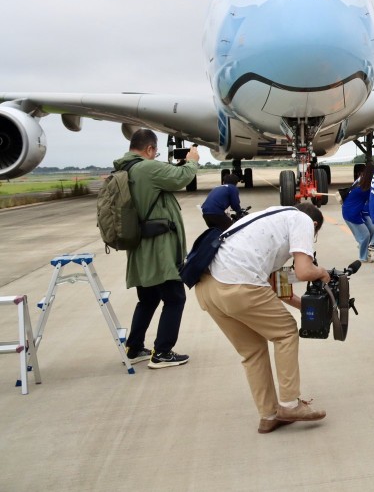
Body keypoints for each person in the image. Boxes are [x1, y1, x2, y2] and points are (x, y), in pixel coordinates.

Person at [194, 203, 333, 434]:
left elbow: (275, 285)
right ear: (315, 225)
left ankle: (268, 415)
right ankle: (289, 404)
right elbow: (304, 271)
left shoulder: (267, 219)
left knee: (253, 350)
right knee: (287, 332)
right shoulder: (303, 221)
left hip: (208, 288)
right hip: (238, 285)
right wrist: (322, 272)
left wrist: (305, 307)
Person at [118, 129, 198, 368]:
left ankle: (134, 348)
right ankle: (162, 352)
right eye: (156, 152)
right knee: (175, 298)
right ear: (150, 149)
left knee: (148, 298)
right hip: (158, 249)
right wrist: (192, 162)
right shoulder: (145, 168)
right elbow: (180, 178)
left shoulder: (125, 167)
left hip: (141, 247)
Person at [341, 165, 374, 264]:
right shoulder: (365, 187)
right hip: (352, 213)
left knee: (372, 229)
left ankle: (362, 246)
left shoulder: (361, 180)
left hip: (358, 210)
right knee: (365, 235)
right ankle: (363, 257)